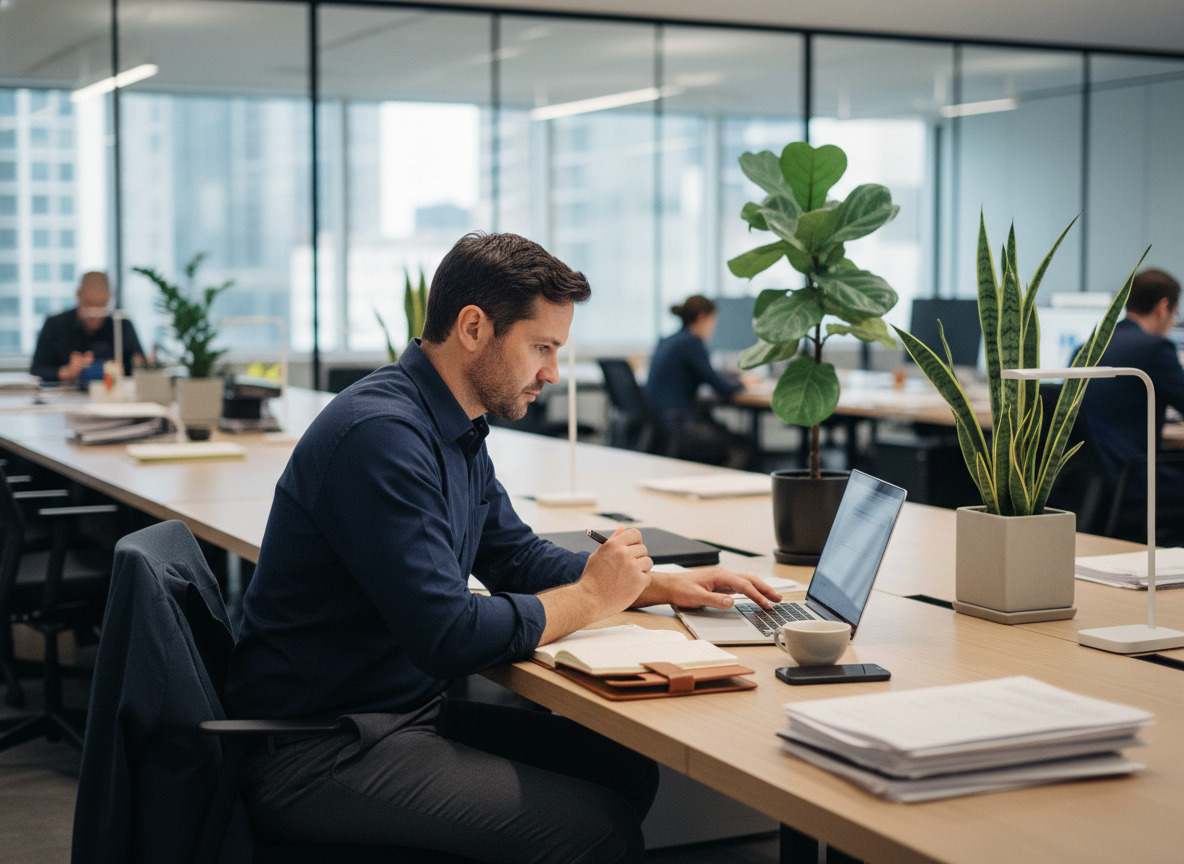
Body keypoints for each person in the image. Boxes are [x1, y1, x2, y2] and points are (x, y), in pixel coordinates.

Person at [224, 233, 780, 863]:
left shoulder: (452, 423)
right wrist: (590, 598)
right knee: (599, 829)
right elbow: (447, 634)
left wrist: (651, 585)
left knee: (623, 770)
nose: (552, 373)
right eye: (541, 347)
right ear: (473, 328)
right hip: (320, 747)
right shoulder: (383, 435)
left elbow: (515, 557)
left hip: (393, 713)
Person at [1080, 268, 1184, 504]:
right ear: (1163, 306)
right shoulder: (1154, 348)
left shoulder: (1090, 345)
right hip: (1132, 476)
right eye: (1175, 313)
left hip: (1092, 480)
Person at [645, 294, 749, 468]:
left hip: (661, 424)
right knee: (742, 446)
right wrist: (743, 382)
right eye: (713, 322)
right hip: (680, 424)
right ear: (702, 318)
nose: (713, 328)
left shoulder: (668, 340)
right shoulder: (691, 343)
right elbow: (721, 386)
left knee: (724, 432)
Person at [29, 271, 144, 384]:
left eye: (101, 305)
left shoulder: (122, 326)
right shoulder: (55, 325)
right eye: (89, 304)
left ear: (110, 297)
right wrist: (66, 372)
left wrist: (123, 371)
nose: (95, 314)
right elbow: (37, 370)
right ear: (78, 295)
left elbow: (140, 367)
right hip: (66, 394)